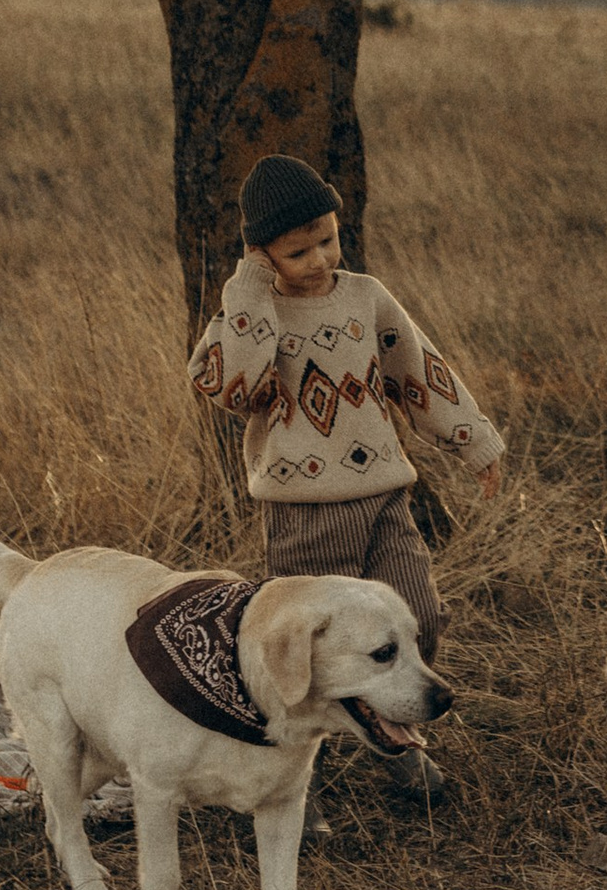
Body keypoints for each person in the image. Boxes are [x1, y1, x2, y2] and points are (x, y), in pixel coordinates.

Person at [191, 155, 505, 798]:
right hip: (303, 509)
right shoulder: (252, 314)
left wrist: (473, 440)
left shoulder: (366, 296)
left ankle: (394, 734)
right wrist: (249, 289)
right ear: (263, 254)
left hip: (385, 494)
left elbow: (419, 371)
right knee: (303, 654)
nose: (319, 259)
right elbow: (229, 385)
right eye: (297, 250)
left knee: (415, 616)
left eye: (328, 240)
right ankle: (294, 778)